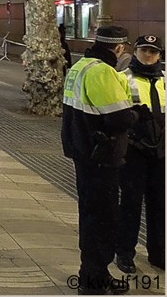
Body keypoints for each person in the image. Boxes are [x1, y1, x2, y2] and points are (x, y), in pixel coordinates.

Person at [61, 26, 137, 295]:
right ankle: (94, 280)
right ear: (118, 48)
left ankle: (93, 274)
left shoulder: (80, 66)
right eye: (123, 48)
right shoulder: (102, 71)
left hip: (83, 152)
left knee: (91, 215)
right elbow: (120, 118)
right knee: (103, 218)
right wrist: (134, 114)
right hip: (100, 156)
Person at [116, 34, 165, 274]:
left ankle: (158, 253)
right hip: (134, 151)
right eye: (144, 50)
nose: (148, 55)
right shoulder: (123, 78)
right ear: (134, 52)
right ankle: (124, 253)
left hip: (161, 153)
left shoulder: (165, 81)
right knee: (131, 204)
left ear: (160, 55)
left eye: (153, 51)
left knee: (160, 205)